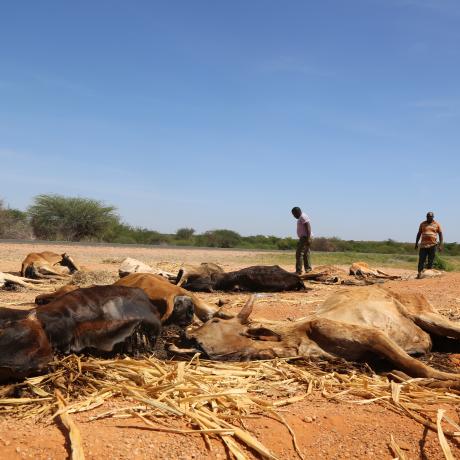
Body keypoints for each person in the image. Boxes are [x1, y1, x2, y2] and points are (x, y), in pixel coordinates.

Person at [415, 211, 443, 278]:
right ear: (426, 217)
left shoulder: (437, 224)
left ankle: (428, 275)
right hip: (423, 245)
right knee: (421, 260)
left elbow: (440, 235)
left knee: (431, 260)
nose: (429, 217)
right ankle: (419, 274)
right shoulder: (422, 224)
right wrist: (416, 243)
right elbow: (419, 234)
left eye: (430, 216)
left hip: (433, 245)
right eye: (428, 216)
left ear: (433, 217)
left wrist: (440, 245)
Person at [291, 207, 312, 274]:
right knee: (306, 254)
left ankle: (299, 271)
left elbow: (308, 227)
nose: (294, 216)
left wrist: (308, 239)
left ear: (297, 212)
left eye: (294, 214)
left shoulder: (303, 217)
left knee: (299, 254)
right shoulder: (302, 217)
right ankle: (308, 270)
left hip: (305, 237)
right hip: (304, 237)